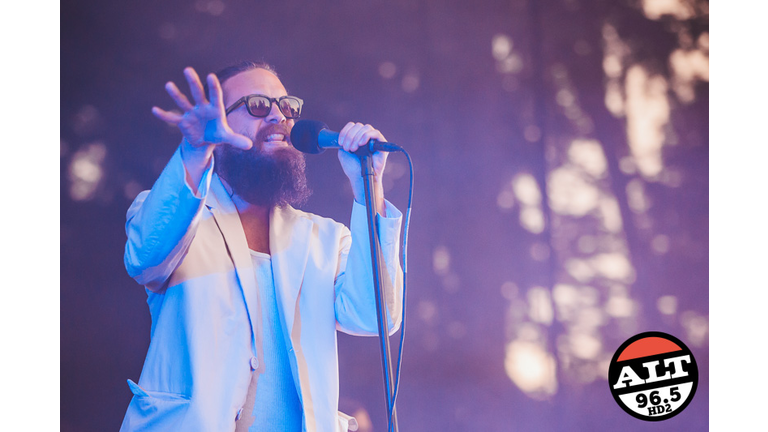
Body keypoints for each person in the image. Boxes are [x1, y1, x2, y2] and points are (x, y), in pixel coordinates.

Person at [120, 61, 404, 432]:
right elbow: (143, 257)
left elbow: (376, 316)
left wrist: (369, 186)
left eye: (287, 106)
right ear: (218, 127)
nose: (277, 116)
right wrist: (194, 150)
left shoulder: (324, 238)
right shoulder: (180, 215)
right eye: (257, 105)